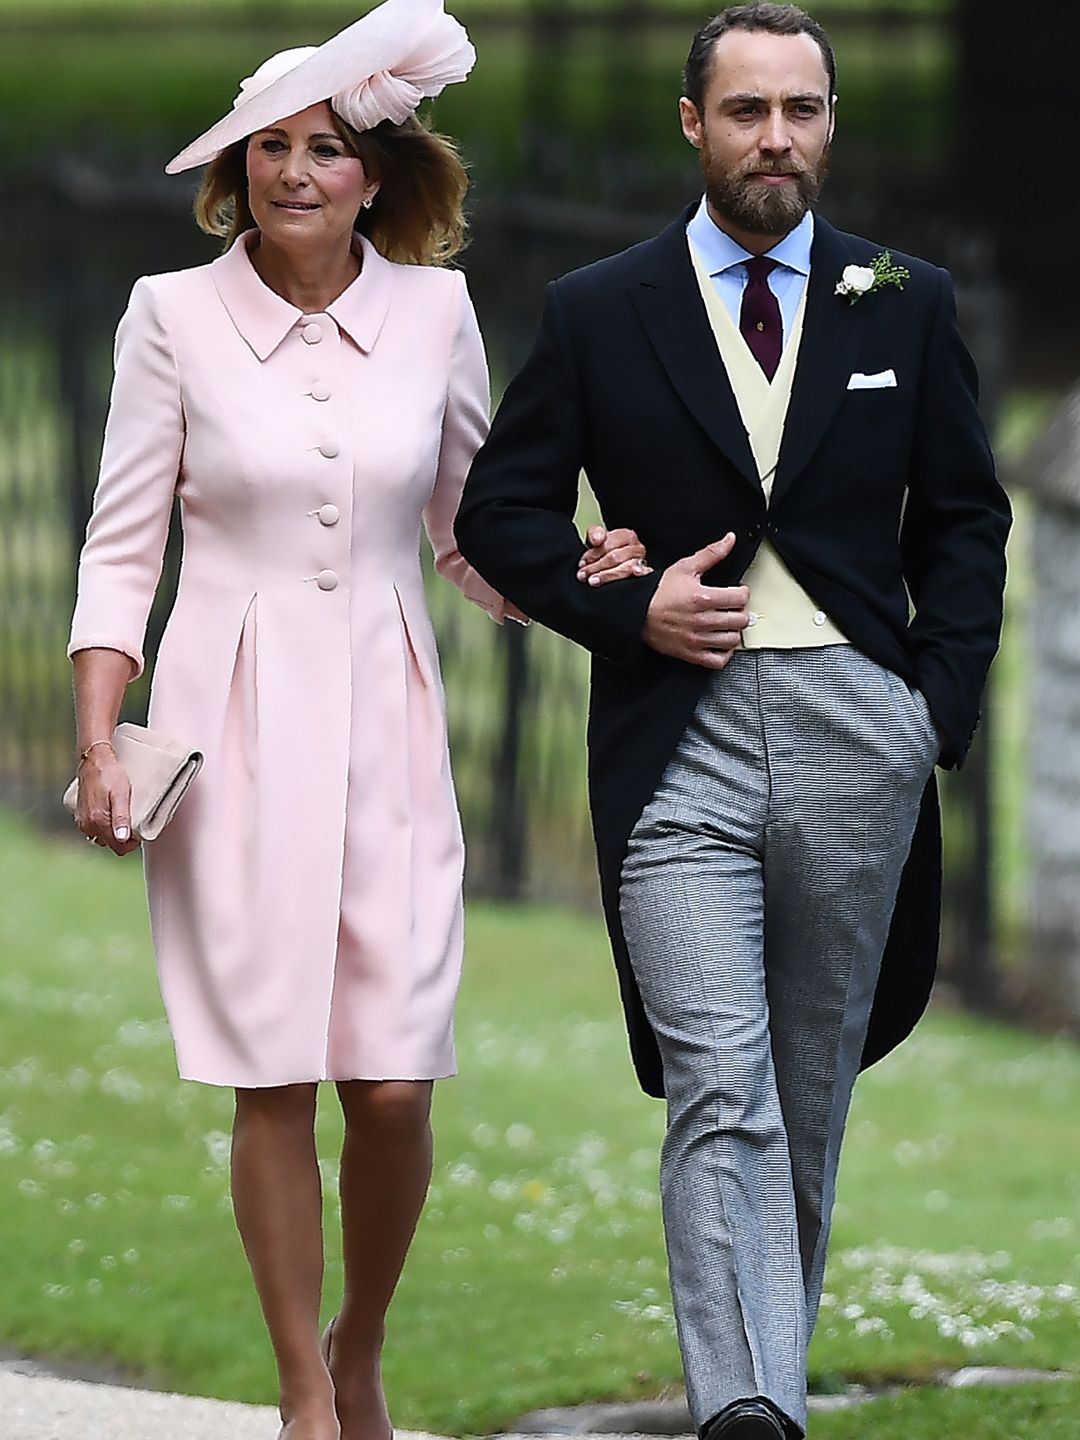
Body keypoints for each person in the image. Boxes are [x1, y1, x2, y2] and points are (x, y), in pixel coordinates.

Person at [66, 3, 646, 1438]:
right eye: (271, 146)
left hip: (388, 719)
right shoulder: (170, 316)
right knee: (272, 1070)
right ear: (238, 169)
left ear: (375, 172)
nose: (296, 171)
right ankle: (306, 1396)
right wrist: (96, 736)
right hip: (231, 718)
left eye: (326, 146)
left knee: (390, 1084)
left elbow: (468, 533)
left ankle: (362, 1341)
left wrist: (575, 568)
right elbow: (122, 544)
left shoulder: (438, 315)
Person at [456, 5, 1011, 1438]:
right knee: (718, 1074)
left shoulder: (908, 300)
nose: (779, 136)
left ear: (830, 127)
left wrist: (928, 714)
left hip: (857, 731)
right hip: (675, 744)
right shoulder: (599, 307)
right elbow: (501, 515)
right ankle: (747, 1409)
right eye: (749, 109)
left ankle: (761, 1388)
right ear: (692, 124)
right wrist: (625, 614)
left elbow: (964, 522)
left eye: (804, 110)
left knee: (804, 1097)